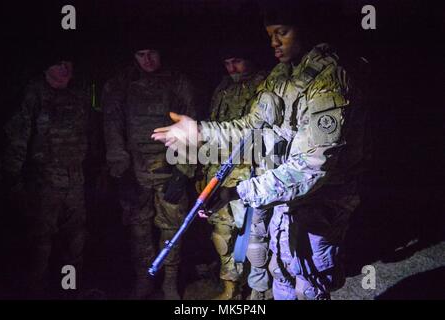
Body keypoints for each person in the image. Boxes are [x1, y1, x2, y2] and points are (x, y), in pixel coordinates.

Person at [151, 1, 367, 300]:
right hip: (283, 201)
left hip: (317, 208)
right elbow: (249, 130)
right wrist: (200, 131)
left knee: (307, 283)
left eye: (283, 32)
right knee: (280, 275)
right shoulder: (281, 75)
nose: (274, 42)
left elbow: (310, 168)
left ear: (305, 29)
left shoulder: (329, 82)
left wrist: (239, 192)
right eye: (270, 35)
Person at [101, 34, 197, 300]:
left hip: (169, 170)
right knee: (139, 229)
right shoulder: (121, 84)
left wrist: (183, 171)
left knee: (173, 229)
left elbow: (191, 125)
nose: (147, 60)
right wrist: (121, 172)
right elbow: (112, 127)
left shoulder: (178, 82)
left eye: (152, 52)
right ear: (133, 56)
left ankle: (169, 282)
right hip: (136, 171)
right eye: (141, 54)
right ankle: (145, 278)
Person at [3, 51, 90, 299]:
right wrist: (13, 178)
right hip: (43, 183)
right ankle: (36, 291)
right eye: (58, 64)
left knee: (76, 242)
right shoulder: (33, 94)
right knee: (40, 243)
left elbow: (88, 134)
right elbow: (17, 138)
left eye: (67, 63)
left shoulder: (79, 93)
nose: (64, 69)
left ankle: (70, 291)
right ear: (45, 68)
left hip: (75, 180)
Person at [197, 43, 273, 300]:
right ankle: (231, 287)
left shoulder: (265, 85)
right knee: (221, 234)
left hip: (249, 174)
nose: (232, 68)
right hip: (219, 173)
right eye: (227, 63)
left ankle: (260, 289)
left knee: (253, 236)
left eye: (237, 61)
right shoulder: (223, 87)